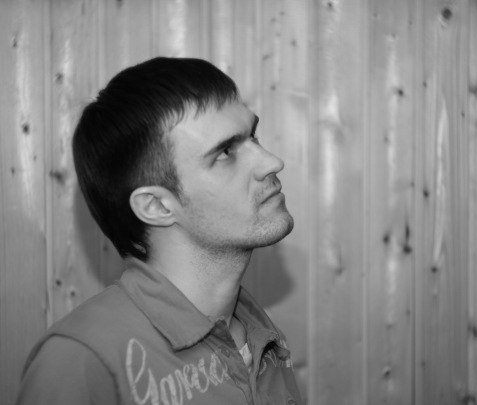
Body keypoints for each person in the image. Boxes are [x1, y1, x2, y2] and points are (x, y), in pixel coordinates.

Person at [17, 57, 301, 404]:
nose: (272, 162)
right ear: (156, 206)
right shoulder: (82, 360)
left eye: (253, 135)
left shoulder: (259, 332)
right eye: (226, 152)